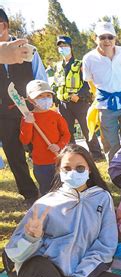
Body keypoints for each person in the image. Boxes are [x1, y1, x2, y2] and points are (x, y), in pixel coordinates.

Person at [5, 144, 121, 277]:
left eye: (80, 168)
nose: (73, 172)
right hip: (41, 270)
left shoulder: (102, 198)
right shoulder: (45, 203)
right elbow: (13, 253)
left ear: (90, 170)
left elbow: (105, 245)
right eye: (67, 168)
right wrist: (30, 238)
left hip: (77, 272)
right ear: (59, 171)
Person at [0, 8, 48, 206]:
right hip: (3, 113)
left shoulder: (28, 50)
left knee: (40, 149)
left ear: (4, 26)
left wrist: (41, 103)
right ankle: (29, 193)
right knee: (14, 154)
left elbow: (40, 76)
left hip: (29, 109)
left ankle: (50, 186)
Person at [82, 21, 121, 161]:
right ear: (95, 38)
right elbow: (89, 80)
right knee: (110, 142)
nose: (107, 40)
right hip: (105, 105)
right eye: (102, 37)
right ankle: (115, 171)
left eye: (110, 37)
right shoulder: (88, 58)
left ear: (115, 38)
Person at [53, 35, 103, 160]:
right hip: (64, 103)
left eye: (65, 46)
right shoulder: (58, 66)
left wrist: (79, 95)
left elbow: (88, 84)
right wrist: (56, 99)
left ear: (70, 47)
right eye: (60, 46)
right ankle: (72, 154)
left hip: (79, 102)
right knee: (67, 131)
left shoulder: (79, 64)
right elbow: (56, 84)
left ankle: (96, 154)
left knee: (87, 128)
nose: (62, 48)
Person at [20, 80, 70, 196]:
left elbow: (66, 134)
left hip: (59, 160)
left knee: (64, 188)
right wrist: (28, 123)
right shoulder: (27, 117)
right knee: (47, 190)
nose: (45, 99)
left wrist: (59, 145)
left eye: (48, 95)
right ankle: (48, 211)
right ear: (31, 100)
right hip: (41, 162)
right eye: (40, 96)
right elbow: (25, 140)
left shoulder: (56, 116)